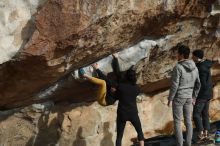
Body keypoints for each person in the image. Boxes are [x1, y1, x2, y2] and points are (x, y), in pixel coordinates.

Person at [167, 45, 201, 146]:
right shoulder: (195, 67)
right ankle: (189, 143)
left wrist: (170, 98)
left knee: (177, 122)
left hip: (179, 97)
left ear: (181, 55)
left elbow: (175, 84)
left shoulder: (178, 67)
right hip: (189, 97)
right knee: (188, 121)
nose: (177, 55)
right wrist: (194, 97)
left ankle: (180, 144)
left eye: (178, 53)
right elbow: (198, 84)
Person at [112, 54, 144, 146]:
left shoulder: (121, 87)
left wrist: (116, 58)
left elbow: (117, 74)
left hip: (122, 113)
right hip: (133, 113)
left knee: (119, 136)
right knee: (140, 132)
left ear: (126, 77)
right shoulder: (136, 88)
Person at [192, 49, 213, 141]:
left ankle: (200, 133)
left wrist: (195, 96)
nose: (192, 57)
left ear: (196, 57)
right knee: (205, 114)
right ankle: (206, 133)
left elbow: (202, 84)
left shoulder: (200, 68)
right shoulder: (207, 64)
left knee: (196, 114)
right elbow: (209, 61)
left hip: (202, 95)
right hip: (209, 94)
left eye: (193, 56)